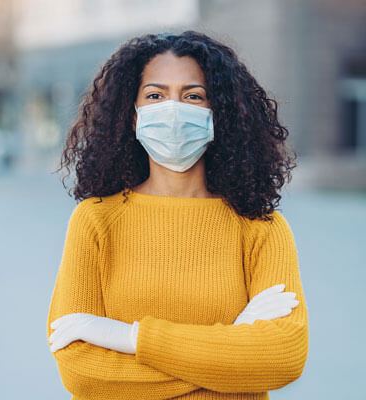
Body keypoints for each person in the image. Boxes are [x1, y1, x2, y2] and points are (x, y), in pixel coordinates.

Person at [46, 30, 309, 400]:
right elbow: (82, 373)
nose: (173, 108)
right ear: (133, 117)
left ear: (220, 114)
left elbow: (283, 358)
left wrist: (131, 338)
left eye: (193, 96)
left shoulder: (261, 228)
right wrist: (230, 353)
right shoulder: (95, 221)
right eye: (155, 95)